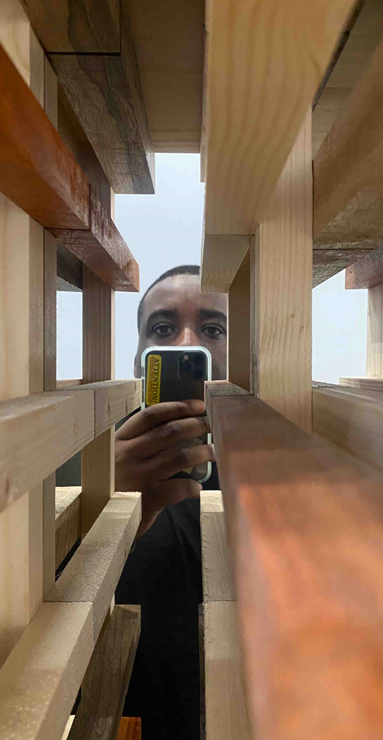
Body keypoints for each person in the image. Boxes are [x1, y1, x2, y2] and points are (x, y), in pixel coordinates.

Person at [115, 264, 226, 740]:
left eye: (212, 329)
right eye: (162, 328)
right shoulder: (95, 454)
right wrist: (112, 505)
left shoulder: (284, 457)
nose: (185, 345)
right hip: (126, 712)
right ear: (140, 357)